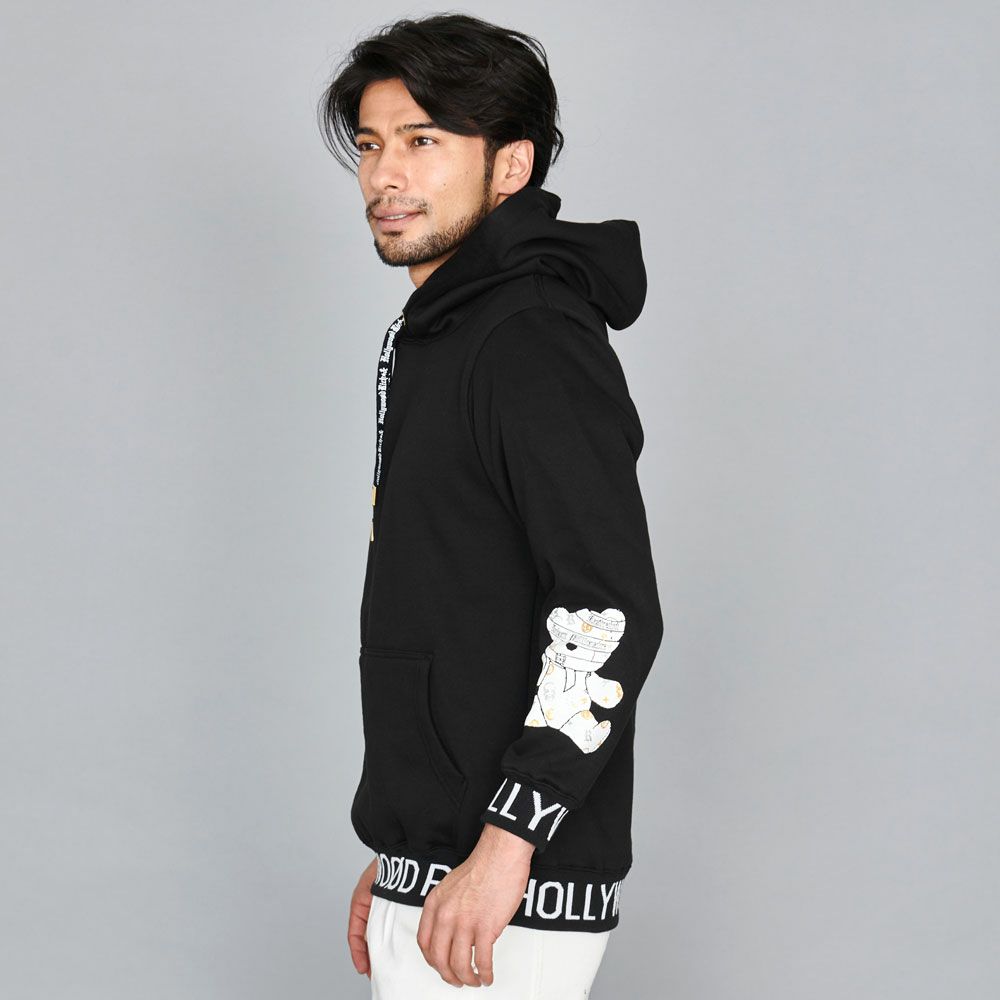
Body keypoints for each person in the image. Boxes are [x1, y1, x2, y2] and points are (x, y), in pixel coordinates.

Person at [317, 13, 664, 998]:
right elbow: (453, 603)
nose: (386, 176)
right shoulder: (444, 329)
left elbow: (607, 610)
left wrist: (508, 841)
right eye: (372, 144)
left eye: (423, 140)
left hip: (511, 887)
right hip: (439, 864)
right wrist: (406, 845)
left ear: (510, 165)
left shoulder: (532, 338)